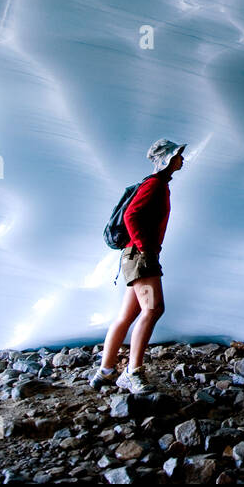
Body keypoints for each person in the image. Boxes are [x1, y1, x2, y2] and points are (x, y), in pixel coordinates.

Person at [89, 139, 185, 394]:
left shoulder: (157, 185)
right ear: (166, 160)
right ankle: (133, 372)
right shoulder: (154, 185)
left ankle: (105, 372)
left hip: (134, 256)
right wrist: (145, 248)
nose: (181, 158)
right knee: (153, 309)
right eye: (177, 155)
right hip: (140, 257)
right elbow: (131, 214)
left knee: (128, 315)